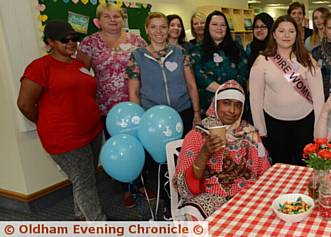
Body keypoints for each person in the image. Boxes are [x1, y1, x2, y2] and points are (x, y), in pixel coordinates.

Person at [17, 20, 107, 221]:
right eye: (64, 39)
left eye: (74, 39)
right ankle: (99, 224)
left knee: (84, 178)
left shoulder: (78, 64)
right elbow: (24, 104)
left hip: (92, 131)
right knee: (85, 182)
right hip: (66, 138)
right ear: (50, 42)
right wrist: (46, 121)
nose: (71, 43)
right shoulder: (40, 67)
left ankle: (81, 217)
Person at [76, 3, 150, 208]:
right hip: (107, 107)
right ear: (98, 21)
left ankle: (142, 183)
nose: (113, 19)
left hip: (135, 102)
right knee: (119, 148)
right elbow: (81, 74)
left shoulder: (136, 40)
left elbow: (147, 67)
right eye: (107, 16)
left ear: (122, 19)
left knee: (140, 143)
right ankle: (127, 188)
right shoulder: (89, 43)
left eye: (117, 15)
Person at [174, 80, 271, 220]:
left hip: (246, 194)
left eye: (238, 105)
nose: (232, 110)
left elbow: (265, 171)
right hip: (211, 196)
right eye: (226, 103)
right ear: (216, 104)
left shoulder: (250, 134)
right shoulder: (197, 135)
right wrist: (205, 153)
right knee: (193, 215)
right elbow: (184, 188)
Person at [249, 15, 324, 165]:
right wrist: (261, 129)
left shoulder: (308, 60)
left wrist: (319, 127)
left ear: (297, 35)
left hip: (305, 123)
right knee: (279, 166)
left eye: (291, 31)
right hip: (274, 124)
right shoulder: (262, 61)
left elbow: (319, 97)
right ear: (274, 34)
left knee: (305, 167)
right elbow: (255, 98)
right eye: (282, 31)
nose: (286, 35)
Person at [126, 12, 201, 137]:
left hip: (183, 112)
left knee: (185, 153)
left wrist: (197, 112)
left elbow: (191, 84)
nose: (158, 31)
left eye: (163, 27)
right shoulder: (137, 56)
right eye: (153, 27)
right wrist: (139, 119)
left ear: (168, 29)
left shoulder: (180, 52)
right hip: (153, 116)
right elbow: (133, 92)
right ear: (147, 29)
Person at [190, 11, 248, 113]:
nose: (219, 28)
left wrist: (230, 92)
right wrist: (226, 91)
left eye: (223, 25)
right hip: (209, 107)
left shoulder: (237, 47)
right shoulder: (197, 51)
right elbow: (201, 78)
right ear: (208, 27)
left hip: (236, 105)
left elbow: (244, 72)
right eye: (214, 24)